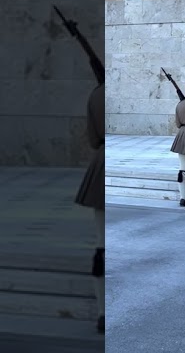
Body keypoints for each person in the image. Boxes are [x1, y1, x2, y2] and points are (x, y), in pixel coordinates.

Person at [75, 82, 105, 333]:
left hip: (102, 162)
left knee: (101, 244)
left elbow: (94, 139)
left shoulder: (96, 94)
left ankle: (102, 312)